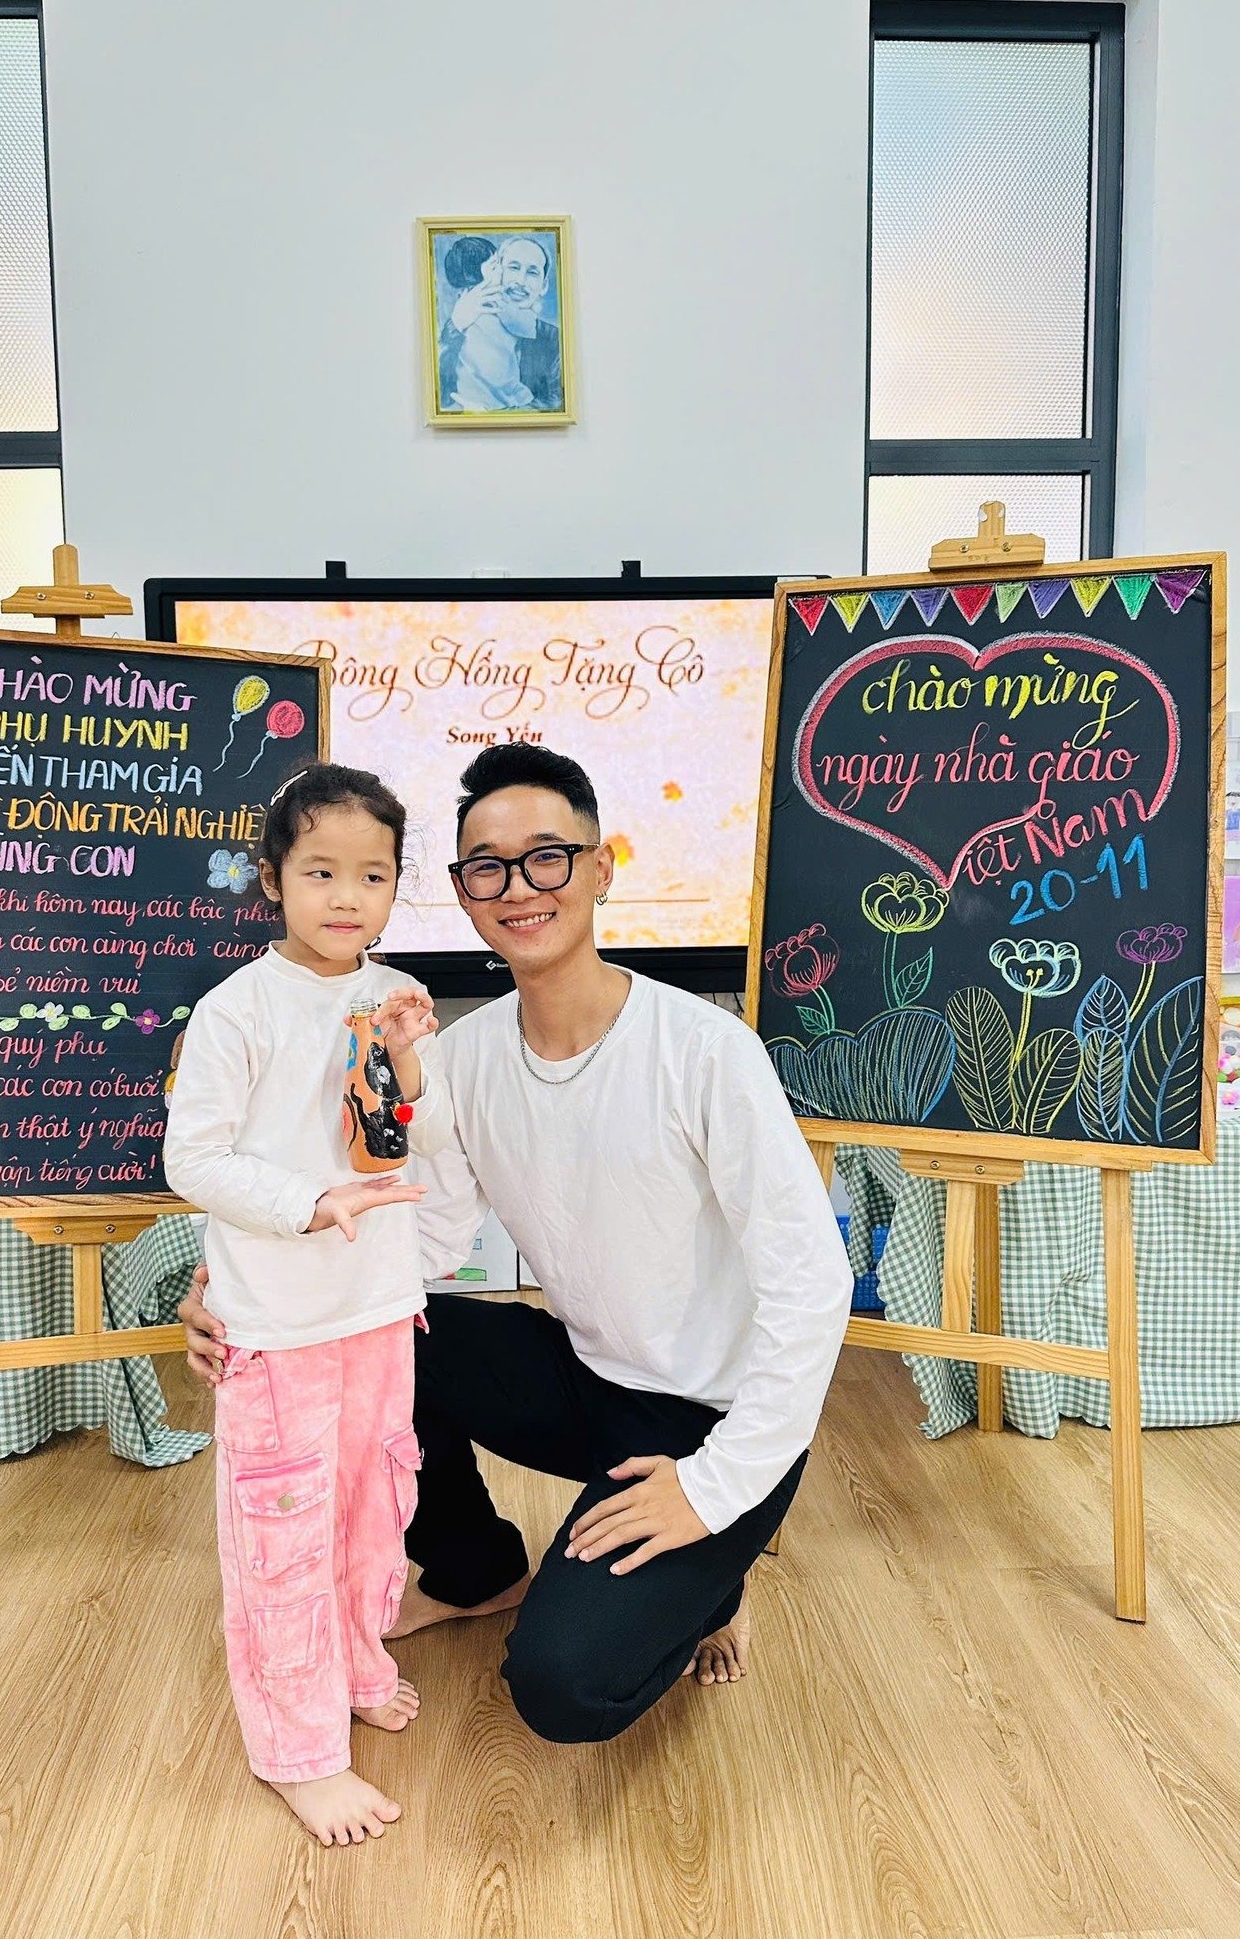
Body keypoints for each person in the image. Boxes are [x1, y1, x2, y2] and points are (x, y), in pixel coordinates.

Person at [183, 743, 852, 1744]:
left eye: (548, 857)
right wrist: (248, 1296)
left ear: (600, 867)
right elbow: (424, 1241)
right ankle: (478, 1570)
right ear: (462, 893)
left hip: (714, 1417)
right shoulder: (464, 1054)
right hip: (586, 1377)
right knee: (391, 1339)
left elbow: (813, 1283)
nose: (519, 888)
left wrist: (712, 1489)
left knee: (562, 1688)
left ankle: (715, 1583)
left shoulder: (706, 1048)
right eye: (487, 868)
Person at [163, 761, 456, 1847]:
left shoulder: (389, 994)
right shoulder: (236, 1009)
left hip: (378, 1308)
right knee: (281, 1534)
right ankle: (298, 1752)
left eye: (372, 874)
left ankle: (358, 1663)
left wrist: (406, 1061)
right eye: (321, 870)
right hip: (278, 1324)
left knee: (375, 1507)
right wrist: (309, 1204)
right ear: (273, 878)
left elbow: (409, 1135)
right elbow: (192, 1157)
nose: (347, 895)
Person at [437, 235, 562, 412]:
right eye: (513, 268)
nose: (520, 281)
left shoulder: (555, 340)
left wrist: (489, 416)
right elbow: (438, 391)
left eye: (532, 272)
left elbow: (556, 404)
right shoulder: (458, 326)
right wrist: (456, 325)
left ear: (544, 286)